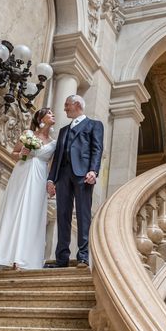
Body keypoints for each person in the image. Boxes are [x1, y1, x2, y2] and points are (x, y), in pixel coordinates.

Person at [0, 108, 57, 270]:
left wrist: (51, 182)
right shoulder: (28, 134)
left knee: (33, 213)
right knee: (17, 209)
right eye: (50, 113)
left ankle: (25, 258)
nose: (53, 115)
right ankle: (9, 256)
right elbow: (14, 153)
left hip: (40, 176)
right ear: (41, 118)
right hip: (23, 172)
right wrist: (22, 153)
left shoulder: (54, 142)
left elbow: (52, 166)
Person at [46, 95, 103, 268]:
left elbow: (97, 148)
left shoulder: (94, 125)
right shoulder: (63, 130)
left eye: (67, 105)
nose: (64, 109)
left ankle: (83, 257)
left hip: (83, 175)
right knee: (62, 215)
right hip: (63, 176)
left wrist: (93, 170)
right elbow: (57, 158)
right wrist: (51, 179)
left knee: (83, 214)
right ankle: (61, 259)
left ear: (77, 104)